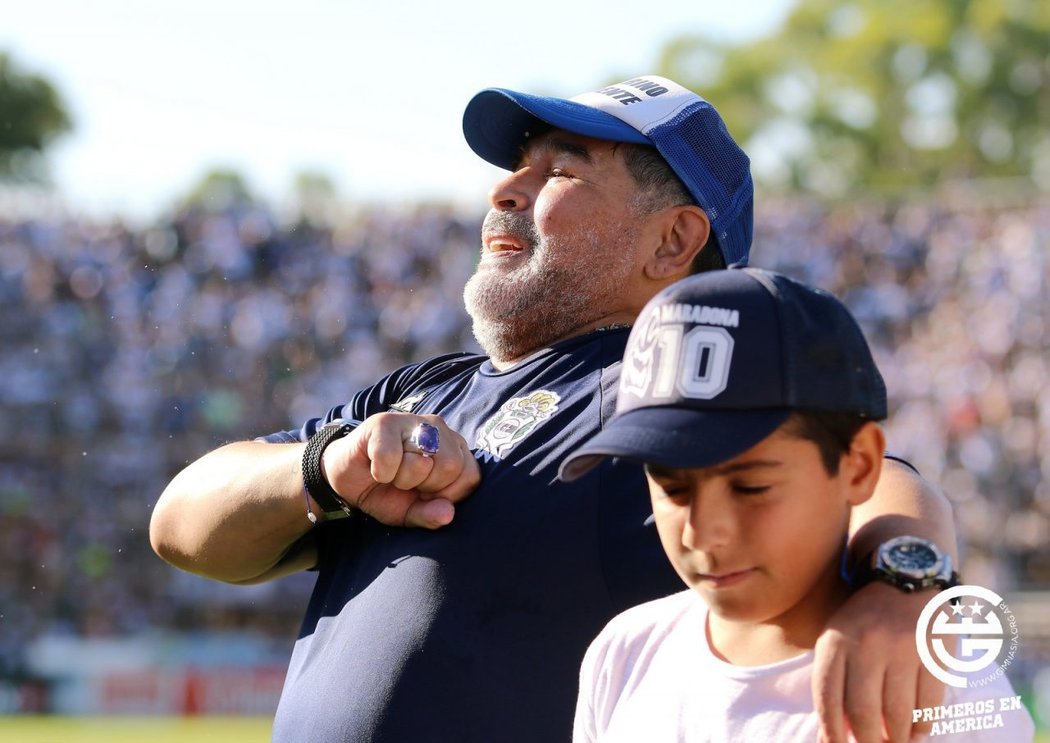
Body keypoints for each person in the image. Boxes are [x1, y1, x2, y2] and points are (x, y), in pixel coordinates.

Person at [150, 75, 958, 743]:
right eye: (518, 167)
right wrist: (326, 467)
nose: (506, 189)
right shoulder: (422, 389)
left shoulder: (671, 389)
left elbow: (864, 478)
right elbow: (181, 525)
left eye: (560, 171)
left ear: (672, 243)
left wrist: (902, 580)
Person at [562, 267, 1035, 742]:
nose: (701, 532)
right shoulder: (625, 650)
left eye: (750, 487)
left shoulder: (937, 687)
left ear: (859, 466)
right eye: (671, 488)